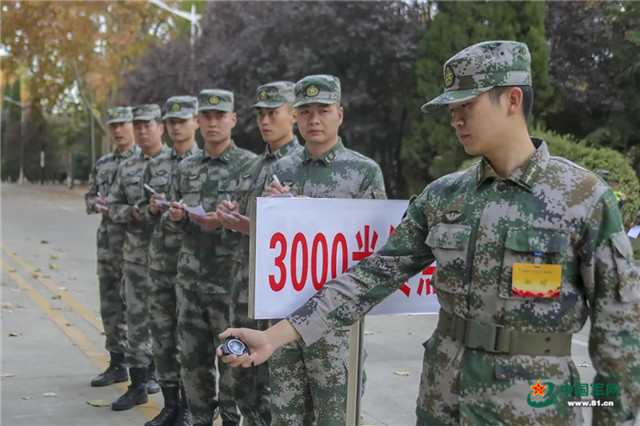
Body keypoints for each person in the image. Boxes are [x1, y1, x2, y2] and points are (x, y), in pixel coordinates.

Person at [220, 41, 640, 426]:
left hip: (535, 405)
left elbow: (620, 332)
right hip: (444, 400)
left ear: (513, 100)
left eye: (466, 106)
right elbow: (370, 276)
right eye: (451, 110)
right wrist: (272, 337)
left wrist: (610, 416)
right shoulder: (444, 196)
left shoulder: (582, 198)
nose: (455, 120)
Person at [238, 74, 386, 426]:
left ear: (340, 115)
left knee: (335, 417)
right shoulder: (282, 168)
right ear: (296, 116)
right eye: (305, 112)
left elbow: (376, 245)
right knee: (286, 417)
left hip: (337, 320)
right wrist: (271, 210)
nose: (314, 120)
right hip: (285, 312)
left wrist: (312, 209)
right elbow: (267, 241)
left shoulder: (363, 171)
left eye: (323, 111)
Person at [166, 89, 256, 426]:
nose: (213, 122)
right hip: (190, 282)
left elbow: (261, 223)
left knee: (232, 363)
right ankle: (199, 417)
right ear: (198, 121)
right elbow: (170, 221)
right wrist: (176, 216)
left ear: (233, 119)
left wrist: (226, 221)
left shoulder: (249, 165)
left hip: (230, 284)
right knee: (192, 362)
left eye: (220, 116)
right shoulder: (186, 167)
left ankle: (231, 420)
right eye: (207, 116)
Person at [215, 81, 303, 425]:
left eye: (273, 113)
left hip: (282, 294)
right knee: (243, 381)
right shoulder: (251, 168)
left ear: (292, 115)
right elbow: (241, 228)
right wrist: (230, 218)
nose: (265, 121)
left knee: (277, 385)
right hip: (246, 288)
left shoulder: (301, 166)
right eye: (261, 114)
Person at [137, 96, 201, 426]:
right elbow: (140, 213)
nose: (176, 126)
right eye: (171, 121)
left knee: (190, 341)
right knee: (162, 336)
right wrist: (151, 209)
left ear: (196, 122)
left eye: (182, 120)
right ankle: (170, 403)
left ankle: (191, 407)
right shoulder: (155, 164)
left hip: (193, 265)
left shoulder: (203, 163)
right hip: (159, 261)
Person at [108, 104, 170, 411]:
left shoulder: (176, 163)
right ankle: (137, 385)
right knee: (136, 323)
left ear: (160, 128)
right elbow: (112, 208)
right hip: (136, 257)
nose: (143, 131)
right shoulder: (127, 167)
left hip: (170, 259)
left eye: (148, 125)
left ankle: (171, 394)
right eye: (138, 125)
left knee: (167, 325)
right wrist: (135, 211)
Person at [85, 106, 138, 387]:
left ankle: (147, 369)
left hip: (136, 248)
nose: (118, 130)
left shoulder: (145, 162)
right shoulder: (103, 163)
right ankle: (117, 363)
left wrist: (122, 208)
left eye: (123, 124)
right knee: (111, 306)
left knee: (139, 310)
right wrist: (97, 203)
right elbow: (89, 196)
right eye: (113, 125)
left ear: (133, 126)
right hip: (108, 247)